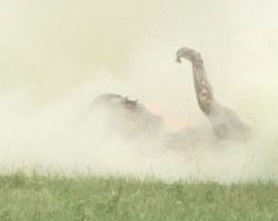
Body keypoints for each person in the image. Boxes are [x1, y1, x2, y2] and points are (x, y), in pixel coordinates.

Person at [90, 47, 251, 148]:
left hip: (235, 138)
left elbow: (210, 107)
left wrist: (197, 63)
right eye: (126, 110)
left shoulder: (166, 139)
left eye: (130, 105)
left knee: (213, 114)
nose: (138, 109)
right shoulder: (152, 147)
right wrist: (196, 62)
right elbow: (208, 105)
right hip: (231, 142)